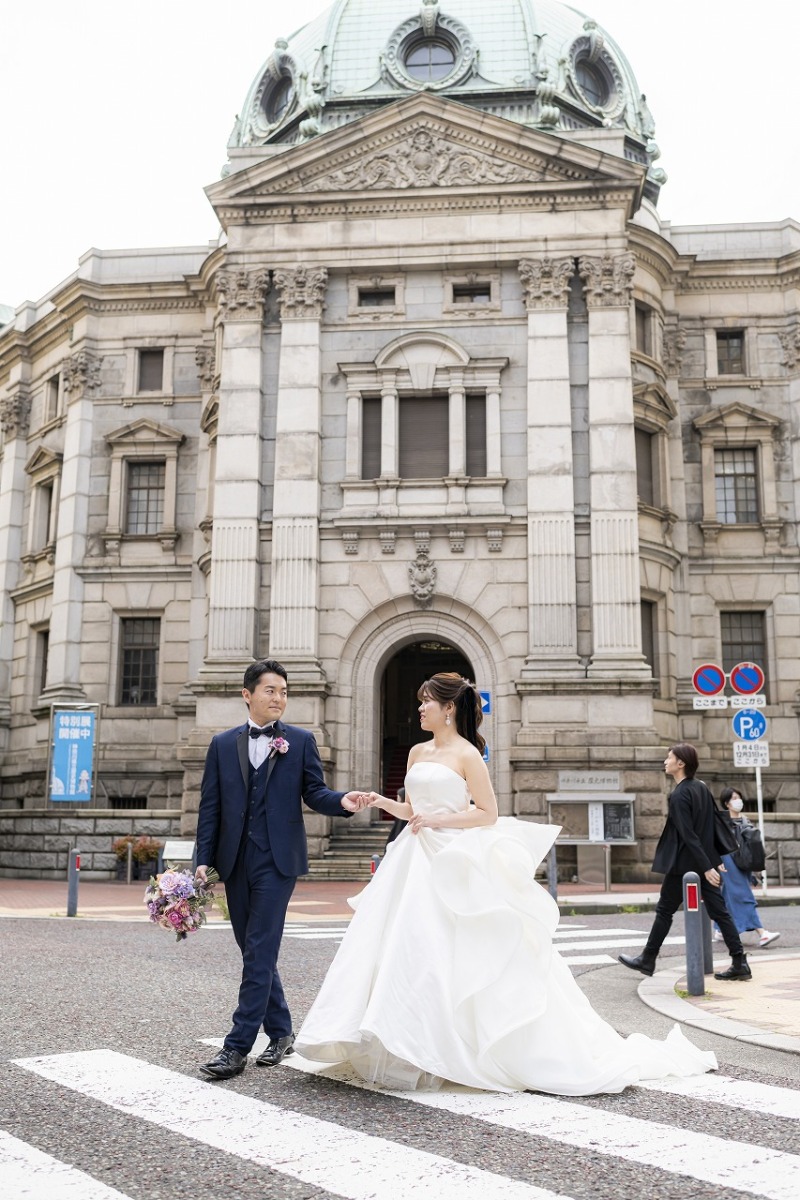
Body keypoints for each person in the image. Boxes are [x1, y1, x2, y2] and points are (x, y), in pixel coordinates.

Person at [295, 674, 717, 1095]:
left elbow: (487, 814)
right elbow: (412, 808)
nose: (419, 708)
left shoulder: (467, 755)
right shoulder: (417, 751)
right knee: (409, 951)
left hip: (451, 857)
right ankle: (408, 1041)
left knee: (454, 951)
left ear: (448, 708)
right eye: (420, 701)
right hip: (411, 856)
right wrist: (385, 803)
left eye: (426, 702)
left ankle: (459, 1047)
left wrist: (438, 819)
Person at [195, 658, 368, 1080]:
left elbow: (315, 791)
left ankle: (236, 1048)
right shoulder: (222, 744)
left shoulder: (300, 741)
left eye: (284, 692)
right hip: (233, 860)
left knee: (259, 947)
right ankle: (282, 1031)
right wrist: (202, 860)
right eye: (271, 690)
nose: (279, 698)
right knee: (253, 949)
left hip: (277, 860)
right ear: (247, 694)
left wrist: (342, 801)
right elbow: (210, 808)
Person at [619, 744, 752, 982]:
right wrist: (713, 861)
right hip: (703, 863)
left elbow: (688, 835)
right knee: (720, 913)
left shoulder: (679, 795)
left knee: (664, 911)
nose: (665, 761)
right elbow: (712, 826)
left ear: (681, 764)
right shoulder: (701, 787)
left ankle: (648, 958)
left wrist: (707, 866)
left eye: (669, 758)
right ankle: (739, 961)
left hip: (685, 865)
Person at [713, 787, 779, 949]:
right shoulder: (721, 820)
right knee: (743, 894)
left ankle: (720, 928)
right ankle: (761, 933)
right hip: (727, 859)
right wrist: (715, 861)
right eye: (734, 798)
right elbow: (714, 842)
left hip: (743, 861)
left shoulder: (745, 820)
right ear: (727, 803)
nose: (738, 801)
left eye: (739, 797)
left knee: (729, 894)